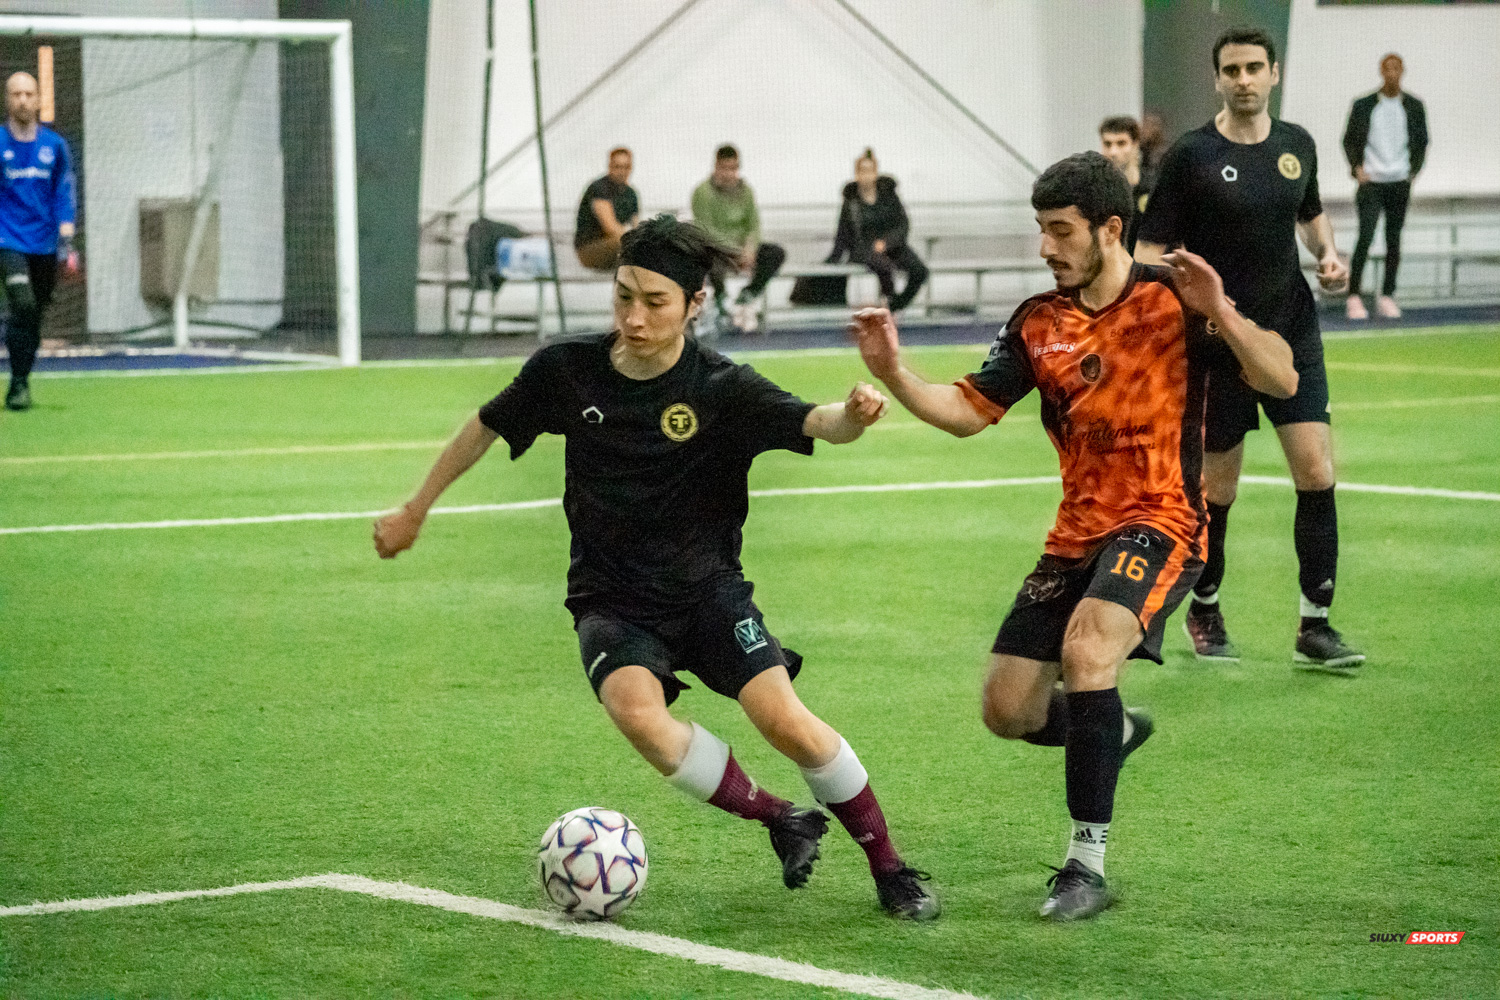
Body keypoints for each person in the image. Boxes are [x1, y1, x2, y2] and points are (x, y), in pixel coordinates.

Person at [373, 215, 940, 921]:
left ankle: (891, 868)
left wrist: (856, 412)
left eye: (655, 302)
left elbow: (818, 423)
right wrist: (416, 508)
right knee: (637, 714)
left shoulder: (722, 387)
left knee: (786, 723)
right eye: (623, 297)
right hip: (611, 598)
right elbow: (487, 424)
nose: (634, 318)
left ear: (695, 304)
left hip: (708, 593)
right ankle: (780, 818)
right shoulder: (567, 370)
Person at [851, 152, 1297, 921]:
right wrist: (894, 372)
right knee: (1008, 710)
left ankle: (1085, 867)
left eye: (1061, 231)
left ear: (1110, 228)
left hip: (1162, 519)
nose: (1046, 247)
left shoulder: (1174, 299)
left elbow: (1282, 377)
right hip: (1074, 536)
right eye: (1042, 229)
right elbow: (966, 412)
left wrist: (1222, 311)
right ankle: (1109, 728)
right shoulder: (1039, 322)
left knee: (1089, 651)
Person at [1135, 27, 1364, 673]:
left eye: (1254, 68)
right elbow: (1147, 250)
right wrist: (1178, 303)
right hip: (1217, 343)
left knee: (1316, 471)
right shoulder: (1191, 156)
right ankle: (1205, 607)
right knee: (1220, 489)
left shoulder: (1297, 145)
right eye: (1232, 70)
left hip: (1291, 331)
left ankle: (1315, 626)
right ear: (1217, 79)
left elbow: (1310, 213)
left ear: (1274, 73)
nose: (1243, 79)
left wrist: (1328, 254)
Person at [2, 71, 77, 412]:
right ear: (7, 99)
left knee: (34, 315)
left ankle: (21, 377)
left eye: (28, 94)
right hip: (7, 239)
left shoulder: (54, 146)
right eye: (16, 94)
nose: (22, 100)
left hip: (44, 243)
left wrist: (67, 232)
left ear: (38, 99)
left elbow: (63, 190)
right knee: (23, 304)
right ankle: (18, 385)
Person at [1341, 53, 1427, 321]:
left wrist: (1413, 171)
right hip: (1371, 183)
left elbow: (1422, 141)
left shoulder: (1413, 106)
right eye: (1387, 69)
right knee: (1365, 237)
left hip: (1398, 182)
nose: (1391, 73)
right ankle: (1354, 296)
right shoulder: (1364, 105)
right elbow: (1349, 139)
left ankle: (1388, 295)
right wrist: (1356, 168)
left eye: (1396, 68)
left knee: (1394, 240)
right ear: (1381, 71)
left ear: (1402, 71)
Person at [690, 144, 785, 333]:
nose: (729, 174)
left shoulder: (746, 191)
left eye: (733, 168)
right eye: (724, 168)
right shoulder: (702, 193)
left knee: (775, 253)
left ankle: (748, 294)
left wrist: (750, 248)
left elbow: (754, 225)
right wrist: (734, 251)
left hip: (743, 250)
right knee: (707, 258)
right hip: (718, 251)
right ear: (716, 166)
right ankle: (721, 299)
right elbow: (706, 231)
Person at [831, 149, 928, 313]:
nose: (866, 175)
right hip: (864, 249)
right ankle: (887, 304)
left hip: (892, 246)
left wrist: (887, 243)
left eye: (869, 171)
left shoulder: (889, 195)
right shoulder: (851, 201)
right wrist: (833, 260)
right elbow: (843, 233)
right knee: (884, 267)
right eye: (862, 171)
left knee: (919, 271)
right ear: (857, 174)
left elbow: (903, 224)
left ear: (875, 173)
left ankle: (895, 306)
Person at [574, 147, 639, 271]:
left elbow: (635, 224)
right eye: (617, 167)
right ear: (610, 166)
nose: (622, 171)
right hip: (590, 249)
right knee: (624, 243)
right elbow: (610, 228)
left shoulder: (631, 194)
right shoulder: (599, 188)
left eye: (626, 167)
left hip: (617, 249)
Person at [1098, 115, 1156, 252]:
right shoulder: (1097, 189)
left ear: (1135, 144)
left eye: (1121, 143)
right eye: (1107, 144)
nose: (1113, 152)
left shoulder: (1153, 187)